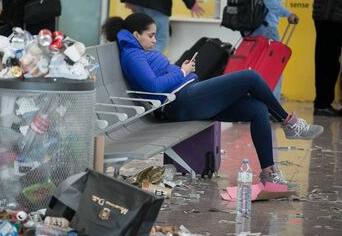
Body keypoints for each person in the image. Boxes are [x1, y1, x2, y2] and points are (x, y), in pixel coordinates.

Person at [102, 13, 324, 188]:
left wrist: (183, 72)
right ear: (136, 34)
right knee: (250, 77)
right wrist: (182, 71)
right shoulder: (133, 55)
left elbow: (159, 79)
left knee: (257, 108)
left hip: (187, 95)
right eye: (150, 35)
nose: (153, 40)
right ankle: (289, 122)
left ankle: (269, 173)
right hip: (180, 102)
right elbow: (153, 86)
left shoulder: (137, 51)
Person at [243, 0, 299, 102]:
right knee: (273, 68)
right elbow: (270, 2)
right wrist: (288, 14)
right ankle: (271, 106)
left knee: (254, 68)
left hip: (250, 28)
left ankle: (254, 102)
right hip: (266, 28)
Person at [120, 0, 204, 52]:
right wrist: (191, 3)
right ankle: (149, 66)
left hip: (137, 2)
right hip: (157, 3)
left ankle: (138, 67)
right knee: (160, 40)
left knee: (140, 37)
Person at [312, 0, 342, 116]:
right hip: (331, 18)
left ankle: (322, 103)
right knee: (328, 63)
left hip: (326, 17)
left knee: (327, 61)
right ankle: (322, 104)